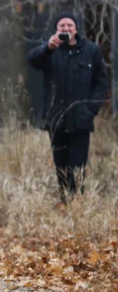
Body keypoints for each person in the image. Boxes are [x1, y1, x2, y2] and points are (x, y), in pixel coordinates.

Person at [27, 13, 108, 204]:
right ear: (56, 30)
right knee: (60, 163)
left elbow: (101, 82)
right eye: (61, 25)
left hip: (81, 119)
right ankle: (65, 199)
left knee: (78, 164)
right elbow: (32, 61)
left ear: (76, 29)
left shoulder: (91, 51)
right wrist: (48, 48)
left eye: (69, 25)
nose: (65, 28)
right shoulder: (51, 50)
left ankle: (77, 201)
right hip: (57, 119)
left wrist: (91, 109)